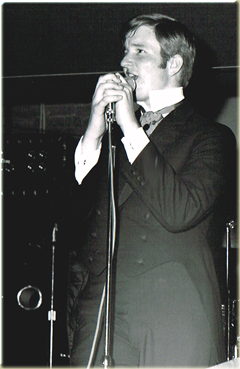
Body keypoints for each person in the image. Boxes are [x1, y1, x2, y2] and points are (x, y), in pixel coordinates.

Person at [66, 13, 236, 367]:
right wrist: (95, 131)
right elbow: (73, 221)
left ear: (173, 63)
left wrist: (129, 125)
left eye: (139, 51)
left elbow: (181, 211)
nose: (125, 62)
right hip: (101, 315)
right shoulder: (109, 138)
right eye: (125, 52)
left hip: (171, 317)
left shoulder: (211, 137)